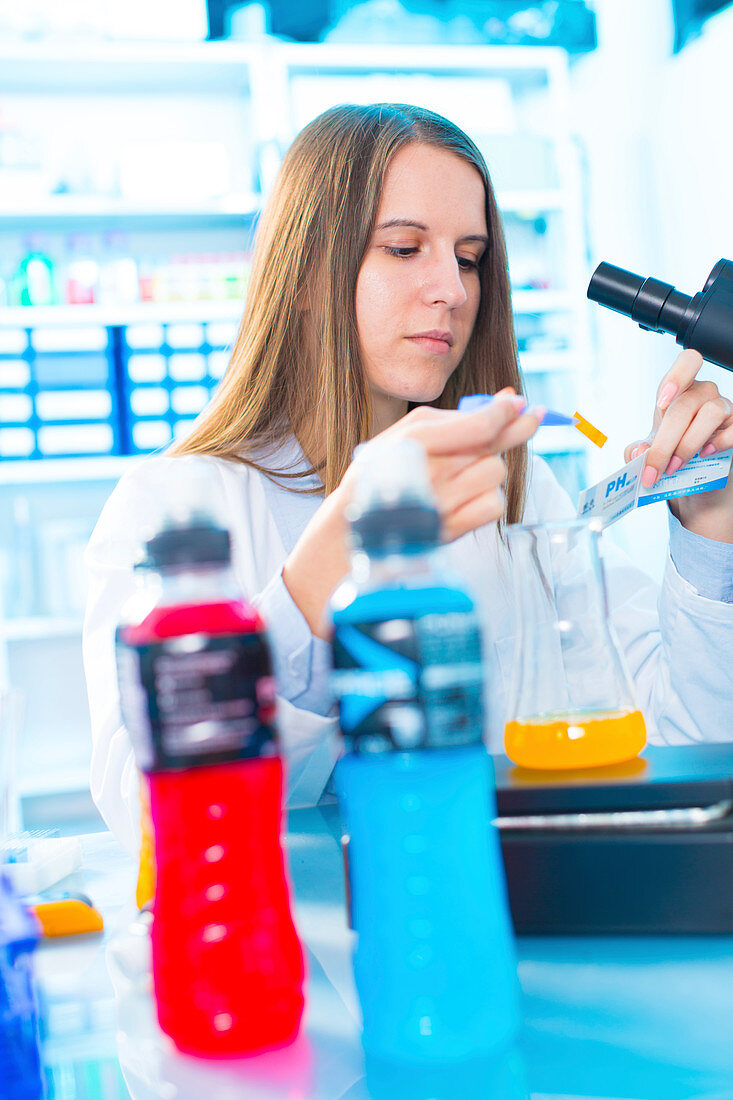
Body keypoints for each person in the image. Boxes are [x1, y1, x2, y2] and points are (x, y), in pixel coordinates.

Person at [83, 104, 733, 853]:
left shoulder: (512, 491)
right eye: (402, 248)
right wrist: (317, 580)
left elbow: (689, 742)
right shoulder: (176, 506)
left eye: (467, 256)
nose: (451, 291)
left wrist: (709, 531)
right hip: (308, 953)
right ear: (300, 274)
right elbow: (142, 806)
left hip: (511, 921)